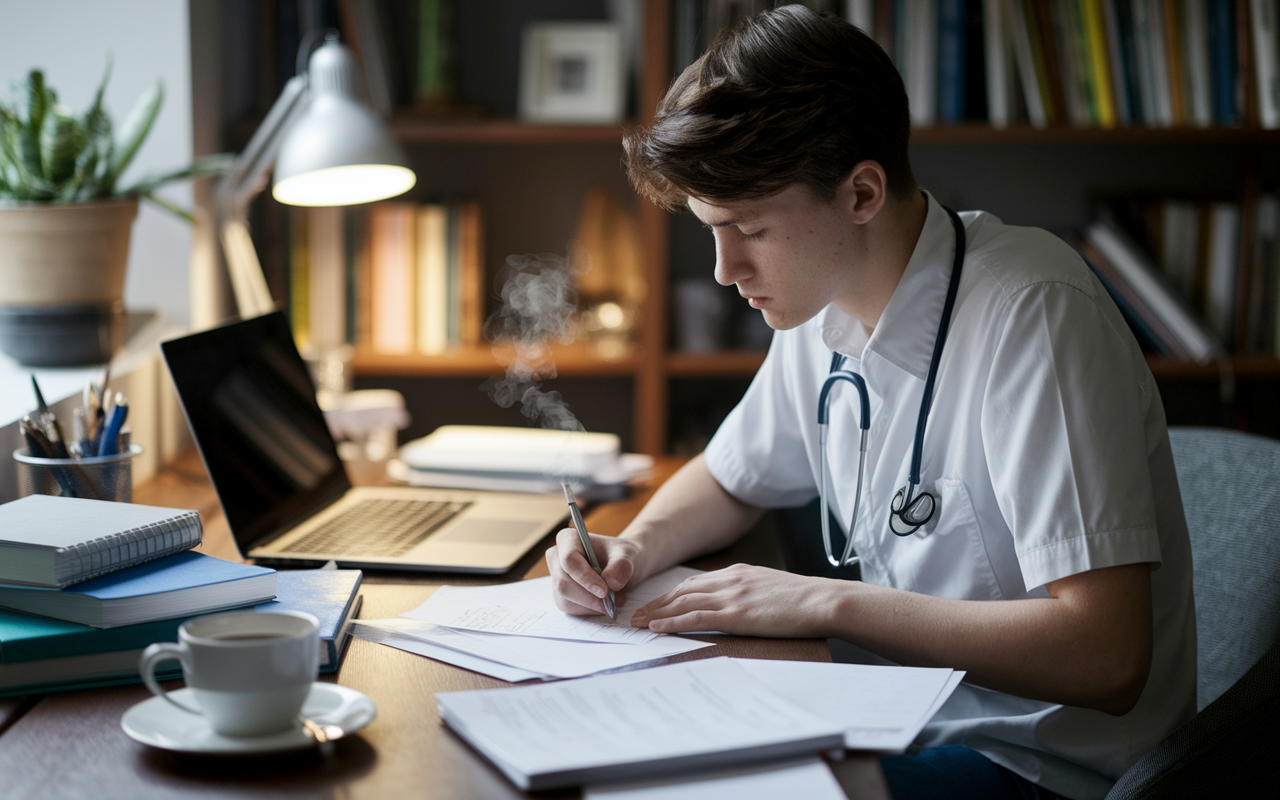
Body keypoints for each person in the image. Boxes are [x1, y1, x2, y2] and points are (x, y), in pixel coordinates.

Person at [546, 7, 1195, 800]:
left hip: (1033, 760)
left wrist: (821, 600)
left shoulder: (1034, 312)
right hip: (896, 712)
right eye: (711, 229)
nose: (724, 269)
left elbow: (1106, 655)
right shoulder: (821, 304)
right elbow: (728, 478)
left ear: (860, 193)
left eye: (746, 226)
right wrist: (635, 550)